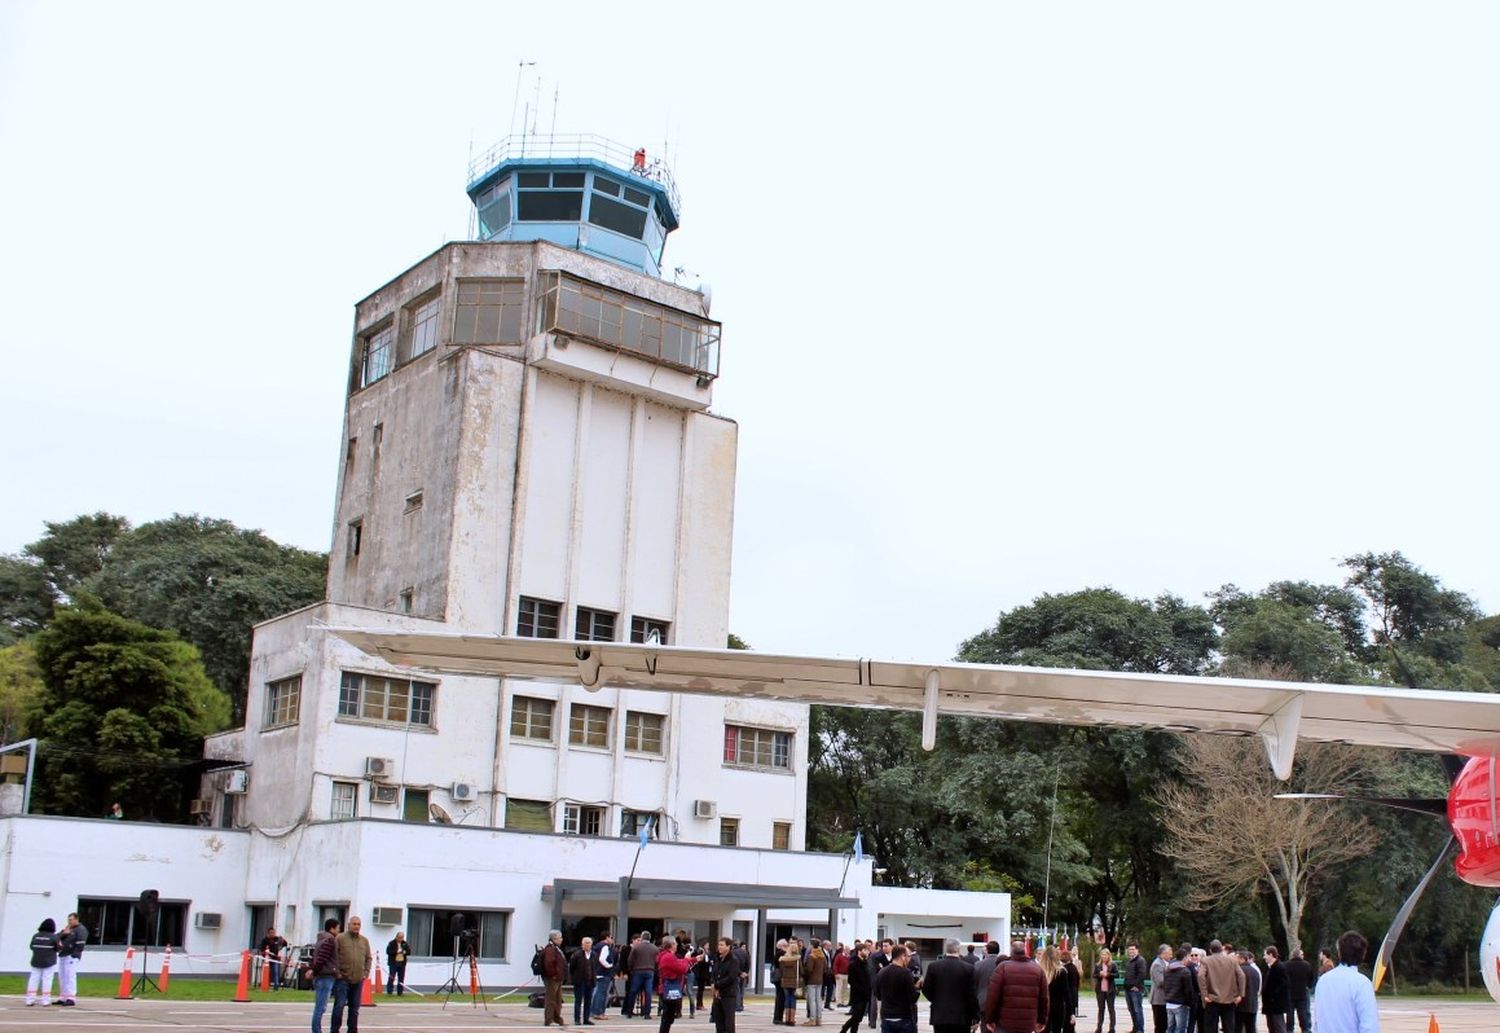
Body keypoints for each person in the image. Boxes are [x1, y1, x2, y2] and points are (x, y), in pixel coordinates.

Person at [1309, 932, 1377, 1033]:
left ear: (1339, 952)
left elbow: (1317, 1021)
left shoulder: (1323, 980)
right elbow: (1369, 1026)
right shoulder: (1362, 983)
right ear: (1363, 954)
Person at [984, 940, 1048, 1033]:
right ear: (1024, 951)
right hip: (1028, 1022)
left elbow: (992, 996)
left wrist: (989, 1019)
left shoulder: (1002, 968)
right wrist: (1042, 1020)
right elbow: (1044, 998)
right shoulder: (1037, 970)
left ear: (1011, 951)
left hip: (1004, 1023)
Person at [920, 939, 977, 1033]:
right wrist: (975, 1016)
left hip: (940, 1015)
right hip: (962, 1016)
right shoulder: (968, 968)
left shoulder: (933, 966)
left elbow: (926, 989)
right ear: (959, 949)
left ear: (946, 949)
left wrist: (937, 1000)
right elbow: (971, 995)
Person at [332, 915, 372, 1033]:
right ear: (348, 925)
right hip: (343, 979)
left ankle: (352, 1030)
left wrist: (366, 973)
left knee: (354, 1008)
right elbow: (334, 956)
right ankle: (334, 1030)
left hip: (358, 979)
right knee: (339, 1006)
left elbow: (368, 958)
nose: (356, 926)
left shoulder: (364, 941)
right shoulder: (340, 938)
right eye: (354, 924)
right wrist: (337, 973)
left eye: (358, 924)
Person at [1197, 941, 1245, 1033]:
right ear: (1221, 949)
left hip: (1212, 998)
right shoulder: (1232, 960)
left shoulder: (1206, 960)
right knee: (1229, 1027)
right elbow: (1241, 975)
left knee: (1211, 1027)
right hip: (1230, 998)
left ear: (1210, 950)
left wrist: (1205, 994)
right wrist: (1240, 994)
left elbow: (1200, 976)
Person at [873, 943, 919, 1033]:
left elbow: (878, 995)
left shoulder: (882, 972)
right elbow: (912, 998)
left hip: (887, 1016)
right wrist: (917, 988)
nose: (910, 959)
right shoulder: (906, 973)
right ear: (902, 957)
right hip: (903, 1017)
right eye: (908, 956)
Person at [310, 917, 341, 1033]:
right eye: (338, 928)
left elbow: (316, 957)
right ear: (332, 928)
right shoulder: (330, 940)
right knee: (320, 1007)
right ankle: (316, 1030)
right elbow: (322, 958)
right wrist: (315, 970)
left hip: (321, 976)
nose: (339, 931)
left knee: (319, 1006)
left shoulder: (320, 940)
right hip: (326, 976)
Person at [657, 934, 692, 1033]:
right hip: (669, 987)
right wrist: (686, 959)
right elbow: (681, 968)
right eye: (675, 944)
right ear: (672, 945)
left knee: (668, 1016)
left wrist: (693, 959)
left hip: (666, 986)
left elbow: (678, 963)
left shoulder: (666, 955)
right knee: (668, 1016)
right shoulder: (668, 956)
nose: (677, 946)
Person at [839, 941, 873, 1033]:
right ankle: (844, 1028)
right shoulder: (854, 964)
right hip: (857, 995)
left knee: (859, 1018)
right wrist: (861, 990)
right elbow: (852, 980)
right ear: (859, 951)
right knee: (856, 1016)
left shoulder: (865, 963)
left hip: (865, 994)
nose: (867, 952)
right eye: (865, 950)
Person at [625, 929, 658, 1019]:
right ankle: (646, 1013)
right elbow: (657, 961)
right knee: (648, 992)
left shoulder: (636, 947)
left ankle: (629, 1012)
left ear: (642, 937)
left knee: (633, 991)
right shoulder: (655, 948)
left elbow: (630, 960)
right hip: (650, 971)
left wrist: (631, 969)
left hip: (638, 971)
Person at [25, 917, 59, 1007]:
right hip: (49, 962)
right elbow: (59, 947)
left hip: (36, 961)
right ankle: (45, 1001)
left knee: (33, 979)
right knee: (47, 980)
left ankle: (29, 1000)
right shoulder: (54, 937)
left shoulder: (36, 935)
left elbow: (31, 946)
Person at [57, 911, 87, 1006]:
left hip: (71, 956)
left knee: (70, 976)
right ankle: (63, 997)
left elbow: (81, 943)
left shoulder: (81, 930)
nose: (69, 922)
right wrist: (64, 934)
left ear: (76, 919)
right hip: (63, 955)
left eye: (71, 920)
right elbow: (56, 938)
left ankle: (71, 998)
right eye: (68, 920)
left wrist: (75, 954)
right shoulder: (67, 929)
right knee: (62, 977)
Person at [712, 937, 741, 1033]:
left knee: (729, 1022)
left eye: (722, 945)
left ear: (728, 946)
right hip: (717, 994)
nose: (719, 947)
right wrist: (713, 983)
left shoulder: (733, 960)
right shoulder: (718, 958)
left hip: (728, 994)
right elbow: (714, 973)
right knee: (719, 1021)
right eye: (719, 945)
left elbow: (731, 977)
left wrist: (717, 985)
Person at [1161, 946, 1194, 1033]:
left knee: (1170, 1028)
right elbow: (1188, 990)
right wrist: (1190, 1002)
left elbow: (1165, 985)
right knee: (1181, 1029)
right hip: (1180, 1004)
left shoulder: (1168, 969)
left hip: (1169, 1002)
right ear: (1185, 957)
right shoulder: (1185, 971)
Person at [1282, 950, 1313, 1033]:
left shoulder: (1286, 965)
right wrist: (1308, 986)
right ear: (1299, 955)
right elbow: (1311, 978)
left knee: (1290, 1014)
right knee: (1303, 1013)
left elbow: (1283, 979)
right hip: (1302, 992)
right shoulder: (1306, 965)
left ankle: (1289, 1029)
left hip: (1290, 992)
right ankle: (1305, 1029)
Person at [542, 928, 568, 1027]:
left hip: (558, 979)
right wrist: (553, 975)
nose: (561, 939)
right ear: (554, 938)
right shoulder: (550, 949)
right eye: (560, 938)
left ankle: (557, 1018)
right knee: (551, 1000)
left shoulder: (556, 949)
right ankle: (549, 1019)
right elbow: (549, 963)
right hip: (552, 979)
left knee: (557, 1000)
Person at [1260, 947, 1289, 1033]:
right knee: (1271, 1026)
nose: (1264, 957)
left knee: (1278, 1026)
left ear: (1271, 955)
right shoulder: (1269, 968)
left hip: (1276, 1005)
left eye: (1265, 955)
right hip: (1270, 1004)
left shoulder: (1279, 967)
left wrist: (1273, 996)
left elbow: (1284, 984)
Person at [572, 936, 598, 1025]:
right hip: (580, 981)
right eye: (585, 943)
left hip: (590, 981)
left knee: (588, 1001)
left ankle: (586, 1019)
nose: (587, 945)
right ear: (582, 944)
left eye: (589, 943)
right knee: (578, 1001)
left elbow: (596, 966)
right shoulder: (577, 955)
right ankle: (577, 1019)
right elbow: (572, 968)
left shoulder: (594, 955)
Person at [1093, 947, 1119, 1033]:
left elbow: (1117, 975)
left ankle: (1112, 1028)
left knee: (1111, 1009)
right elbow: (1094, 975)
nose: (1103, 957)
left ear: (1108, 956)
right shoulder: (1098, 965)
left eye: (1105, 955)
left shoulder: (1113, 964)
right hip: (1100, 990)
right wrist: (1100, 974)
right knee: (1101, 1009)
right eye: (1102, 955)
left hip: (1110, 990)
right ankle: (1099, 1027)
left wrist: (1108, 974)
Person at [780, 938, 805, 1026]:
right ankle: (792, 1019)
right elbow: (801, 971)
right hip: (795, 982)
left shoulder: (783, 960)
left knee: (787, 999)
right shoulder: (798, 960)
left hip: (785, 981)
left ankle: (786, 1019)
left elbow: (781, 971)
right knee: (793, 999)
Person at [1233, 951, 1260, 1033]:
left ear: (1241, 959)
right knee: (1251, 1028)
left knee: (1237, 1028)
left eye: (1236, 958)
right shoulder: (1255, 971)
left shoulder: (1239, 971)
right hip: (1252, 1004)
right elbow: (1257, 987)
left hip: (1240, 1005)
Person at [1124, 944, 1148, 1033]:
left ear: (1137, 950)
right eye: (1129, 949)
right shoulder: (1129, 961)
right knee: (1131, 1010)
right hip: (1128, 989)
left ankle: (1140, 1030)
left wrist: (1136, 986)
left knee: (1138, 1010)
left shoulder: (1140, 961)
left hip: (1136, 990)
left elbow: (1142, 974)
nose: (1131, 951)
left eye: (1133, 949)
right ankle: (1135, 1028)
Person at [974, 940, 1003, 1014]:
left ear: (987, 950)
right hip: (1000, 1000)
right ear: (998, 950)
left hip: (982, 1000)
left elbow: (975, 983)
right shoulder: (1003, 964)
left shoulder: (978, 965)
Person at [594, 933, 617, 1021]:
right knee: (602, 993)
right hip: (604, 973)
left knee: (597, 993)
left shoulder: (597, 946)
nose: (612, 940)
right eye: (611, 937)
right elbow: (602, 959)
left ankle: (594, 1011)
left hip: (597, 972)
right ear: (606, 938)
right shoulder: (605, 947)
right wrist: (609, 965)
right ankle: (599, 1012)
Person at [1150, 945, 1173, 1033]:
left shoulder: (1166, 963)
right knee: (1160, 1024)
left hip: (1164, 999)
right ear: (1163, 954)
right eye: (1169, 954)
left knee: (1165, 1024)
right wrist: (1173, 979)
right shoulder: (1157, 964)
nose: (1171, 956)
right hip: (1158, 999)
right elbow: (1160, 982)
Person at [805, 938, 828, 1026]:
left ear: (811, 945)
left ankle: (812, 1019)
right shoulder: (822, 956)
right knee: (818, 1000)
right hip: (820, 980)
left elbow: (809, 969)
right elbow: (826, 968)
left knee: (812, 1000)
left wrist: (805, 972)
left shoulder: (812, 956)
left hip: (811, 980)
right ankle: (819, 1019)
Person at [261, 926, 289, 991]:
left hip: (275, 958)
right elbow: (262, 950)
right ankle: (265, 984)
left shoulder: (276, 939)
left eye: (274, 932)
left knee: (276, 972)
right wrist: (265, 956)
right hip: (267, 959)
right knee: (267, 972)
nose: (273, 934)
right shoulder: (264, 940)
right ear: (268, 933)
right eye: (271, 933)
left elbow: (285, 944)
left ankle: (276, 986)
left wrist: (283, 940)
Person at [383, 930, 409, 995]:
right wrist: (396, 951)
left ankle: (400, 992)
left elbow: (409, 951)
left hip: (402, 963)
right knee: (392, 977)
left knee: (401, 978)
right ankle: (389, 991)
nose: (401, 939)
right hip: (393, 963)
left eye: (402, 937)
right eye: (399, 937)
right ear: (396, 937)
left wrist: (404, 952)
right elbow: (388, 951)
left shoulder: (404, 943)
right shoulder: (391, 943)